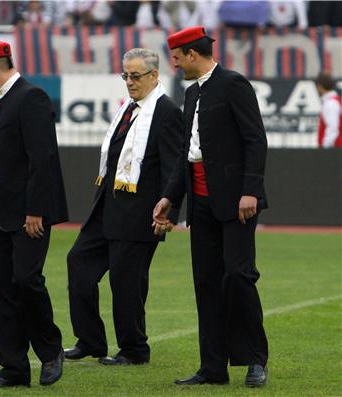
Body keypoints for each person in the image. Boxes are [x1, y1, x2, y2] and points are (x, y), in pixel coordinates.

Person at [153, 26, 269, 387]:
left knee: (238, 276)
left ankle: (255, 360)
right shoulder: (190, 94)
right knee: (205, 282)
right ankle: (213, 368)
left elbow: (256, 139)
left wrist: (250, 190)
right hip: (200, 204)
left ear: (192, 54)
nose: (174, 64)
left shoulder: (234, 84)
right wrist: (170, 198)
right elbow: (187, 156)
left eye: (176, 57)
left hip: (237, 203)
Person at [63, 48, 183, 366]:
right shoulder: (129, 110)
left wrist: (170, 210)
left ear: (154, 76)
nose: (129, 82)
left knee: (126, 281)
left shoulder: (167, 112)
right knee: (78, 264)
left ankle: (134, 349)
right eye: (125, 75)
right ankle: (90, 340)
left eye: (136, 76)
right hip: (107, 208)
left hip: (140, 214)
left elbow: (175, 167)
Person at [0, 40, 67, 388]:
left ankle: (51, 349)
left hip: (27, 214)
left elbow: (43, 158)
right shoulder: (3, 104)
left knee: (26, 280)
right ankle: (13, 368)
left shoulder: (31, 98)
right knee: (5, 290)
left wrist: (36, 209)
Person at [315, 73, 342, 148]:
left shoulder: (330, 104)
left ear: (320, 86)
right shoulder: (335, 101)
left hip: (335, 150)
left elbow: (333, 128)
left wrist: (324, 147)